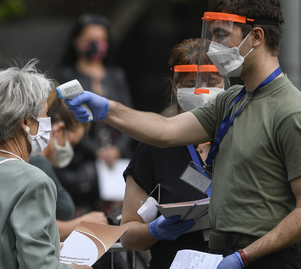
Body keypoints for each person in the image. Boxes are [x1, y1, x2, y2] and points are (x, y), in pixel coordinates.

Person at [65, 1, 301, 268]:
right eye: (211, 34)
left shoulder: (291, 111)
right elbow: (166, 130)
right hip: (224, 253)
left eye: (221, 34)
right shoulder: (233, 101)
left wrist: (245, 257)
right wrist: (108, 109)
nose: (213, 46)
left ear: (256, 36)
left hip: (268, 260)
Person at [0, 59, 90, 269]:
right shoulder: (34, 181)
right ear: (26, 122)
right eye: (44, 114)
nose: (48, 121)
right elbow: (37, 265)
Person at [120, 38, 226, 269]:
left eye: (212, 81)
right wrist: (154, 230)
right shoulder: (154, 148)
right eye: (190, 83)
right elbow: (127, 236)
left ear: (226, 83)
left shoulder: (242, 138)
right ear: (175, 87)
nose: (201, 91)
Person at [57, 13, 134, 215]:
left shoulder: (116, 76)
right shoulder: (67, 76)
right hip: (83, 164)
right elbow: (67, 121)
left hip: (117, 163)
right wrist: (96, 151)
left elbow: (130, 116)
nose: (97, 45)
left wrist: (117, 149)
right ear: (76, 41)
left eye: (101, 41)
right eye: (91, 40)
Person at [28, 89, 108, 242]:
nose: (70, 150)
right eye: (72, 143)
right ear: (59, 130)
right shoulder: (39, 164)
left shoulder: (40, 164)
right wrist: (84, 223)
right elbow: (37, 227)